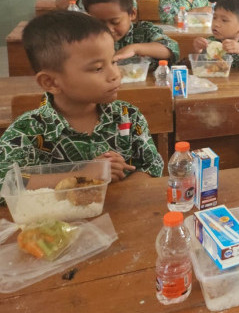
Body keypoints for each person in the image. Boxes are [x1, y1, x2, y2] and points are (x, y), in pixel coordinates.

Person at [0, 11, 164, 186]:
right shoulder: (28, 131)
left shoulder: (127, 116)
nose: (115, 74)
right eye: (98, 68)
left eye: (114, 61)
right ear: (50, 82)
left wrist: (116, 190)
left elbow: (151, 168)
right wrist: (82, 175)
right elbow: (5, 182)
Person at [82, 0, 179, 70]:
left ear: (132, 14)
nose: (109, 29)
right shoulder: (85, 38)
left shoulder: (144, 30)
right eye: (99, 23)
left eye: (115, 22)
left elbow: (171, 48)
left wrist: (135, 48)